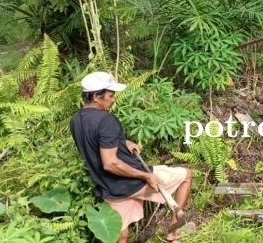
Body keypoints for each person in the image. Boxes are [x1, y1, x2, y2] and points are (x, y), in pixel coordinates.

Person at [70, 72, 192, 243]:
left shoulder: (76, 119)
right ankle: (173, 233)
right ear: (97, 97)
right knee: (186, 175)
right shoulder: (106, 119)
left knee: (121, 237)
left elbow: (96, 142)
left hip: (110, 189)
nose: (113, 100)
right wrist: (145, 175)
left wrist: (123, 142)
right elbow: (110, 163)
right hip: (132, 182)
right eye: (111, 95)